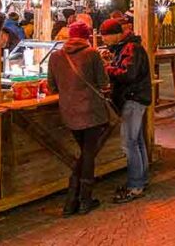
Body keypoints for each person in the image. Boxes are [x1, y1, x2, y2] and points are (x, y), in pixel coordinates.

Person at [46, 22, 109, 216]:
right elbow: (104, 82)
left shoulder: (56, 56)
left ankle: (72, 200)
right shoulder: (92, 54)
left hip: (69, 112)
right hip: (91, 111)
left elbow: (52, 87)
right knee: (88, 154)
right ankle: (82, 200)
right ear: (87, 36)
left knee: (85, 152)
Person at [101, 17, 152, 203]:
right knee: (137, 141)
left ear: (116, 35)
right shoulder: (127, 47)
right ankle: (141, 179)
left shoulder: (131, 48)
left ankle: (135, 186)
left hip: (133, 98)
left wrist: (108, 69)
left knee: (129, 143)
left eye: (105, 36)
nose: (103, 40)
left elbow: (129, 74)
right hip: (136, 98)